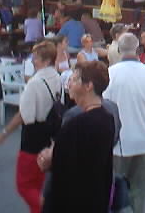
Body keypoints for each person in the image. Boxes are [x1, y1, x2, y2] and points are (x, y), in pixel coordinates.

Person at [0, 41, 61, 213]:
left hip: (33, 137)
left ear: (46, 60)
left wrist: (4, 132)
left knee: (24, 184)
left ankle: (45, 207)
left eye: (36, 58)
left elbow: (24, 115)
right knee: (39, 181)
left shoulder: (35, 83)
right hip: (51, 133)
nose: (32, 61)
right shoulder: (57, 77)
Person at [42, 61, 115, 213]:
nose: (69, 83)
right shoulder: (108, 117)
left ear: (88, 86)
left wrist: (48, 158)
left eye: (75, 80)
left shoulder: (75, 124)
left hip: (72, 201)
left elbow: (60, 166)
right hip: (96, 197)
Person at [103, 32, 145, 213]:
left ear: (119, 50)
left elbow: (104, 108)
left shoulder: (110, 74)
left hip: (119, 142)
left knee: (112, 190)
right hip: (144, 139)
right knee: (139, 189)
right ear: (138, 49)